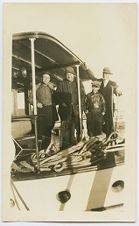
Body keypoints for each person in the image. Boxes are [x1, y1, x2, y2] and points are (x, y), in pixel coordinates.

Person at [55, 66, 85, 149]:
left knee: (77, 126)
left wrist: (80, 105)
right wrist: (63, 103)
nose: (69, 76)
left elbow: (83, 95)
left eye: (70, 74)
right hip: (65, 110)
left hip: (76, 109)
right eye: (67, 74)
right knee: (66, 128)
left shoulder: (78, 84)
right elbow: (57, 96)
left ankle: (79, 144)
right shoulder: (61, 83)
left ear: (74, 75)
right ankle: (66, 146)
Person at [29, 73, 58, 150]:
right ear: (41, 78)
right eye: (44, 77)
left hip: (50, 110)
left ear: (49, 79)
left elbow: (58, 96)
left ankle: (46, 148)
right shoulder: (37, 87)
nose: (45, 79)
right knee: (40, 130)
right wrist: (36, 103)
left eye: (47, 78)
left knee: (49, 129)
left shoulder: (52, 87)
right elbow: (30, 98)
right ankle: (39, 149)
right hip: (41, 110)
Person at [100, 67, 122, 137]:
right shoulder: (100, 82)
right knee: (102, 122)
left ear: (109, 75)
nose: (105, 75)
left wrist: (118, 91)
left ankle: (110, 137)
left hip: (109, 106)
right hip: (101, 106)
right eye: (104, 73)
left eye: (107, 74)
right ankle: (104, 138)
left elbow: (117, 91)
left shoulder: (112, 83)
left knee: (109, 121)